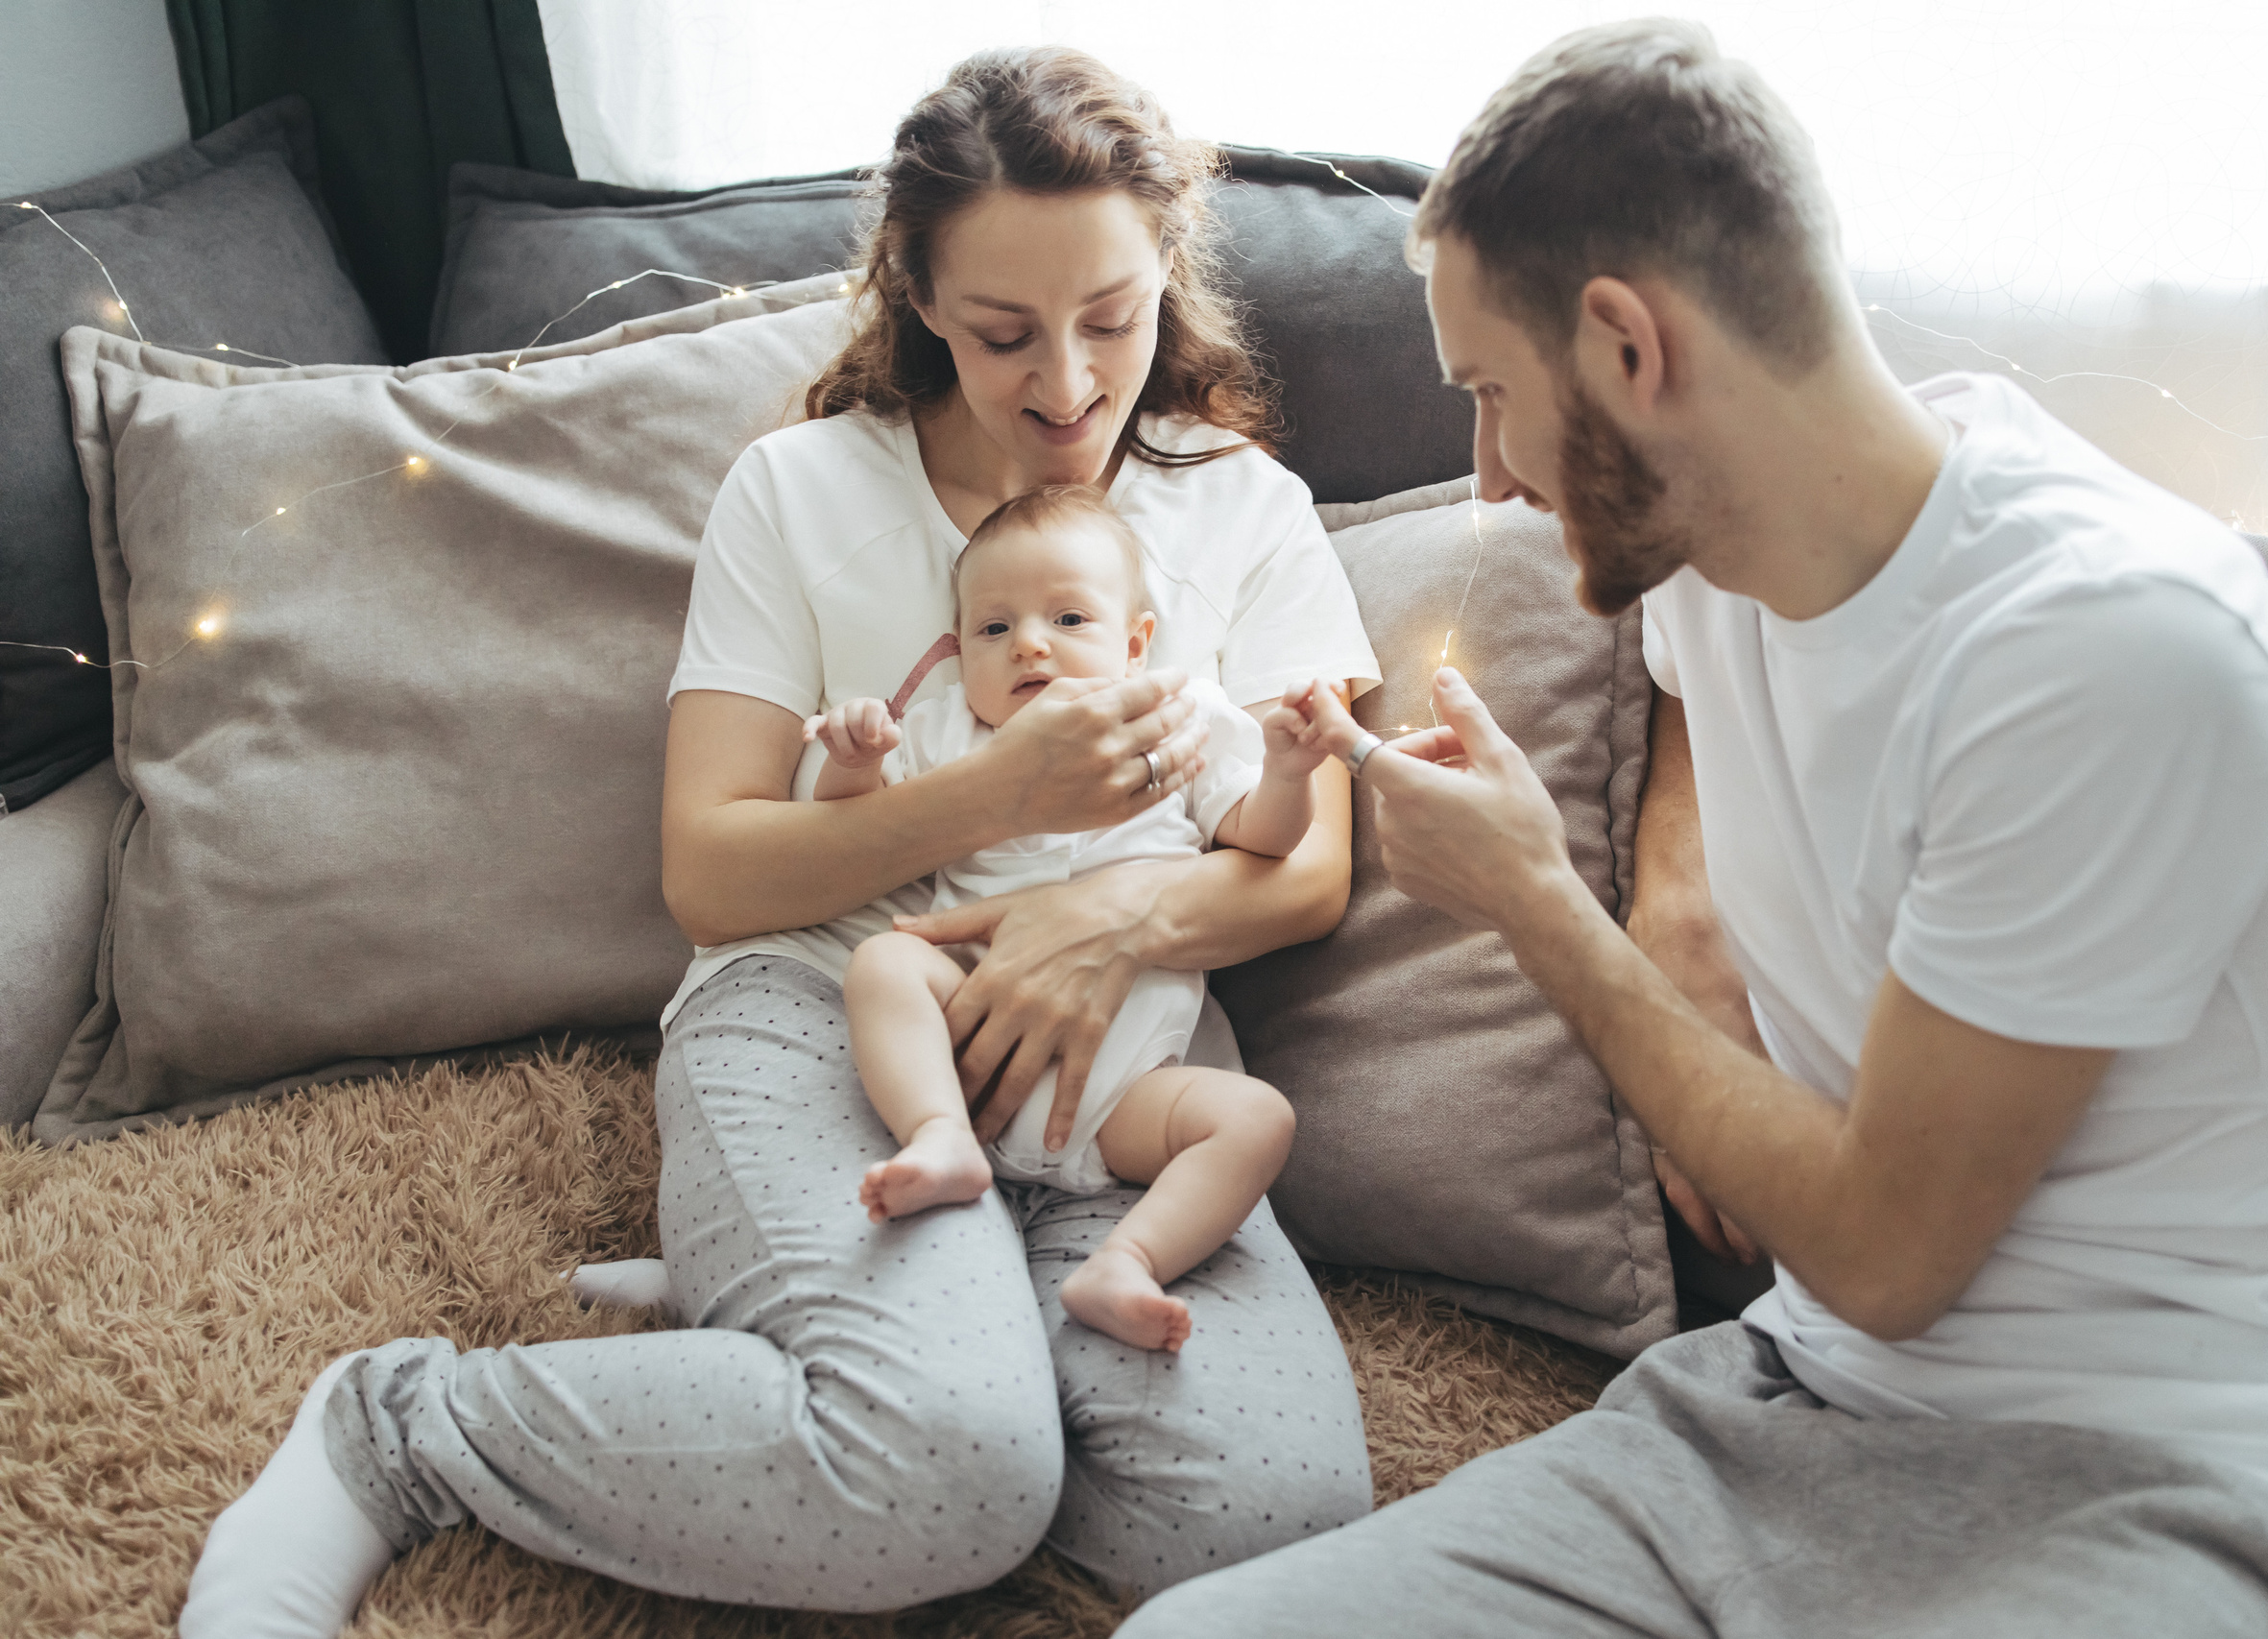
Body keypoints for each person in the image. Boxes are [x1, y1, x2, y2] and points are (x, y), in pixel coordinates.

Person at [1124, 20, 2268, 1639]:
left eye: (1490, 396)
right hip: (1794, 1395)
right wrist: (1675, 901)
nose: (1485, 479)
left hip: (2168, 1464)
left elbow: (1893, 1253)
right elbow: (1704, 682)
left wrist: (1543, 904)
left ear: (1628, 346)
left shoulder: (2104, 652)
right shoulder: (1731, 535)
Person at [180, 45, 1378, 1639]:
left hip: (1121, 1046)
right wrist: (998, 796)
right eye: (1008, 332)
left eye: (1115, 316)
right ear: (921, 297)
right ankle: (397, 1428)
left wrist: (1116, 924)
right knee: (949, 1471)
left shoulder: (1241, 507)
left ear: (1171, 273)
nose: (1073, 386)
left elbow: (1306, 868)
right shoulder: (800, 494)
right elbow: (714, 870)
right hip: (827, 1000)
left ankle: (857, 1338)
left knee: (1273, 1521)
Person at [815, 484, 1333, 1353]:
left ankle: (1126, 1260)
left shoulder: (1178, 717)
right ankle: (939, 1136)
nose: (1028, 643)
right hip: (970, 1028)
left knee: (1257, 1120)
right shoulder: (948, 728)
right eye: (993, 629)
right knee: (883, 964)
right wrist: (856, 761)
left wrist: (1286, 771)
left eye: (1067, 618)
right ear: (959, 651)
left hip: (1130, 1094)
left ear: (1136, 647)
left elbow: (1265, 838)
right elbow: (858, 834)